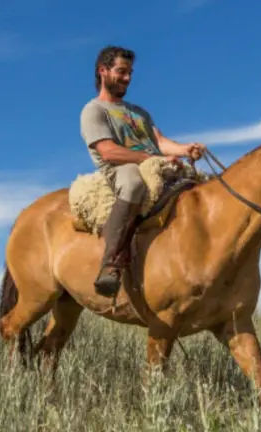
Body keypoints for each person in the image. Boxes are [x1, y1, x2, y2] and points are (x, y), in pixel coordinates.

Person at [79, 45, 207, 297]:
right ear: (103, 71)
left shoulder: (139, 113)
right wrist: (151, 159)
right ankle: (111, 263)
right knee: (134, 184)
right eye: (121, 71)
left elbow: (160, 141)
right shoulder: (94, 110)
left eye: (130, 72)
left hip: (155, 164)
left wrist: (185, 149)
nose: (127, 78)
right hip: (121, 168)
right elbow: (108, 151)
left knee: (201, 188)